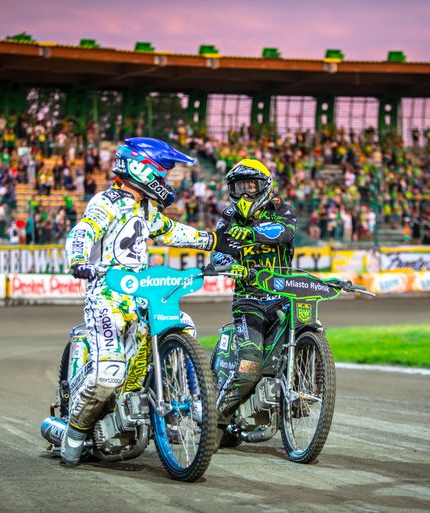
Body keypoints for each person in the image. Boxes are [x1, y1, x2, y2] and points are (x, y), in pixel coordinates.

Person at [60, 137, 238, 466]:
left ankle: (184, 399)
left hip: (140, 295)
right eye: (163, 171)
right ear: (143, 168)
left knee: (183, 323)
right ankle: (74, 432)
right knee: (109, 374)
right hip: (107, 296)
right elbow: (82, 231)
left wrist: (217, 241)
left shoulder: (147, 209)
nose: (166, 180)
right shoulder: (108, 201)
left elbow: (173, 231)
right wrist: (77, 259)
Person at [210, 158, 297, 426]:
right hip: (249, 302)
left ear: (264, 186)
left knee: (308, 331)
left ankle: (305, 391)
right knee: (250, 366)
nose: (245, 193)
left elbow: (284, 232)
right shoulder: (227, 217)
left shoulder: (281, 209)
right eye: (239, 188)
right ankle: (216, 419)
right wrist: (231, 265)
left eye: (251, 186)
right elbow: (217, 257)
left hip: (283, 297)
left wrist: (246, 234)